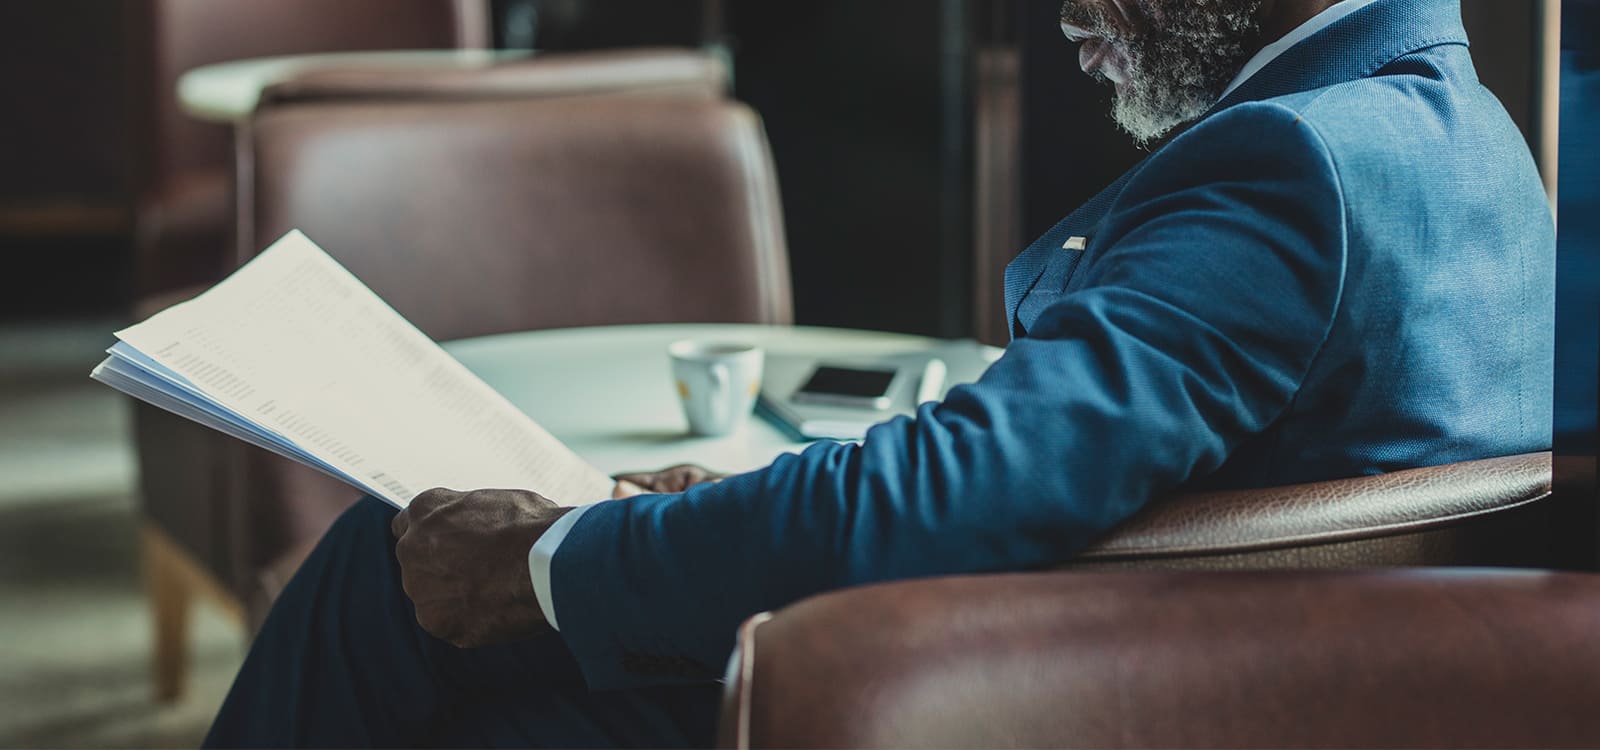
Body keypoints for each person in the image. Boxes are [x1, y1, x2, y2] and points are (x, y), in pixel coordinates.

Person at [206, 0, 1555, 746]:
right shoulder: (1466, 133)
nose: (1068, 14)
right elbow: (1083, 466)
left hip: (1031, 691)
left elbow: (955, 493)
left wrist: (547, 559)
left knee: (382, 575)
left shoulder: (1293, 172)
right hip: (1230, 675)